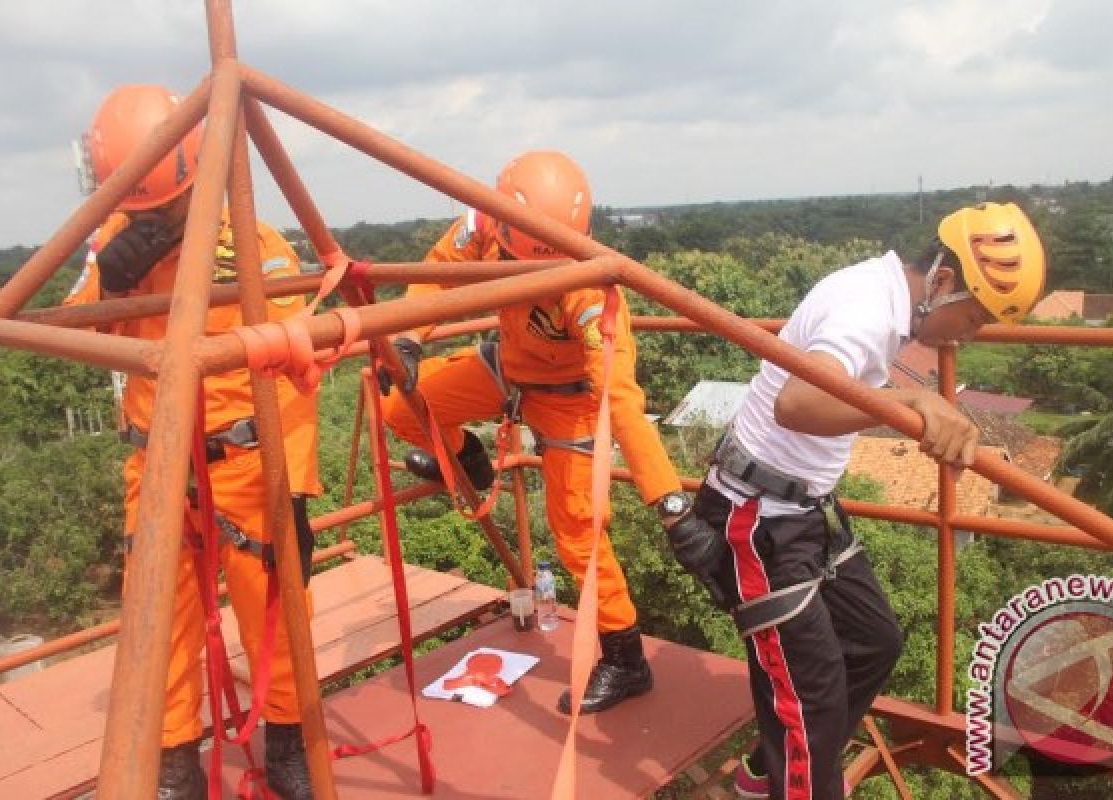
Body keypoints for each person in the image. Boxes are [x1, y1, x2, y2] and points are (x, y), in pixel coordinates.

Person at [673, 203, 1046, 800]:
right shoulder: (866, 310)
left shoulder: (882, 296)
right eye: (972, 320)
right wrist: (915, 409)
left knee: (875, 640)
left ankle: (774, 772)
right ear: (943, 282)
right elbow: (796, 404)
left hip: (803, 508)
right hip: (758, 517)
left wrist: (908, 402)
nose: (968, 339)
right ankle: (804, 778)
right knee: (814, 704)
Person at [379, 150, 719, 714]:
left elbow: (623, 403)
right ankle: (468, 459)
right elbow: (436, 274)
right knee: (403, 408)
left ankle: (625, 656)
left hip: (572, 403)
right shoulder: (484, 225)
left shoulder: (592, 292)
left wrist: (674, 506)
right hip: (510, 369)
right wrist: (408, 336)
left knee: (578, 537)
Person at [66, 85, 321, 800]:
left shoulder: (253, 244)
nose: (150, 218)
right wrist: (111, 283)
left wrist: (292, 486)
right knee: (161, 622)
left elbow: (300, 368)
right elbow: (80, 337)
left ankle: (290, 746)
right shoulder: (115, 245)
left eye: (159, 206)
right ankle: (175, 761)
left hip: (245, 462)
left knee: (271, 610)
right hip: (157, 461)